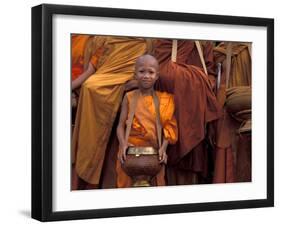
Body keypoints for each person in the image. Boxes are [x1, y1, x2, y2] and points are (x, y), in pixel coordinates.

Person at [71, 36, 152, 190]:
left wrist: (137, 82)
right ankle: (88, 165)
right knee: (90, 87)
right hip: (102, 84)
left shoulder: (146, 41)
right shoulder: (105, 38)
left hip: (130, 89)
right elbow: (91, 69)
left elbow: (152, 70)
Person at [152, 39, 222, 185]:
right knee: (168, 144)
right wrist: (181, 76)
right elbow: (157, 72)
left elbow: (210, 74)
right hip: (171, 103)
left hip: (195, 105)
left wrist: (198, 80)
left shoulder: (203, 40)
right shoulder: (161, 38)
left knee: (195, 153)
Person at [116, 54, 178, 187]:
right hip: (129, 154)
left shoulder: (164, 100)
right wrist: (122, 144)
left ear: (157, 76)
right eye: (141, 71)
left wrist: (163, 148)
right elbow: (120, 126)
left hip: (154, 155)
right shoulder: (129, 97)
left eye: (151, 72)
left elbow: (169, 128)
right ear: (135, 74)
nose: (146, 76)